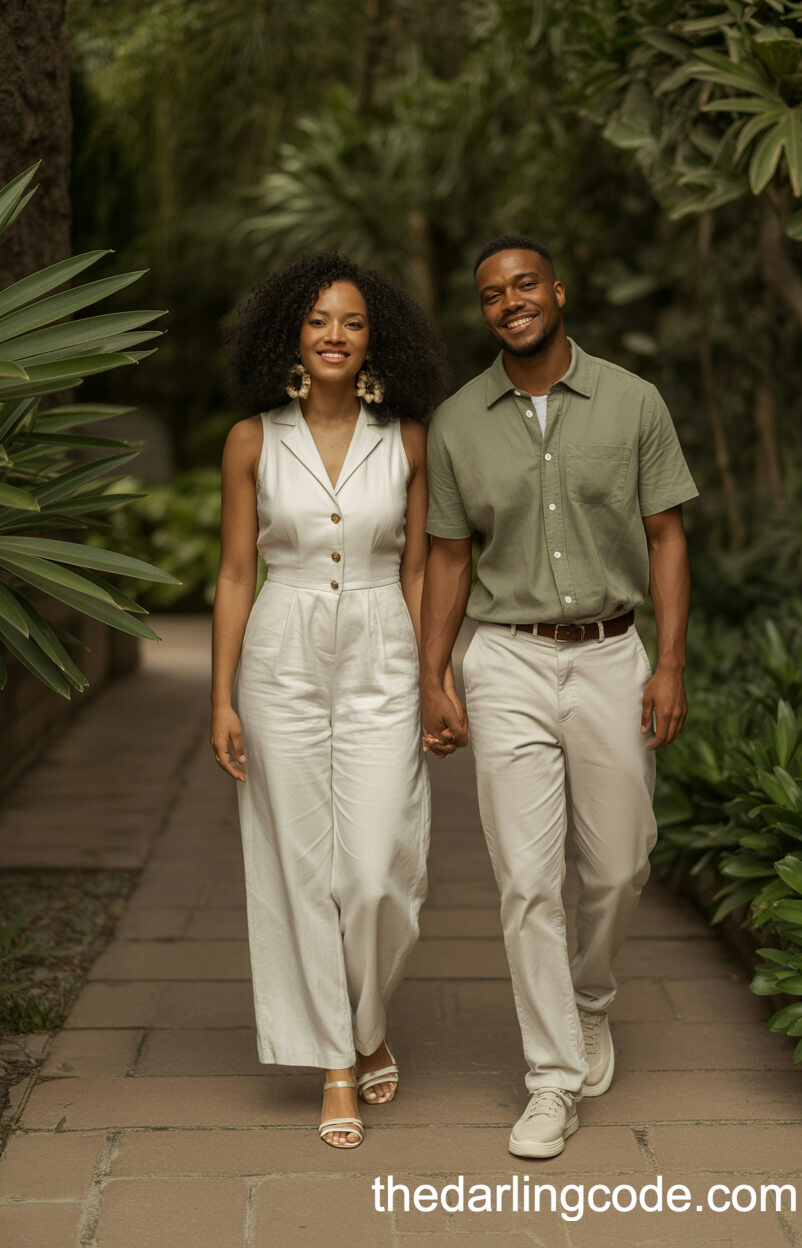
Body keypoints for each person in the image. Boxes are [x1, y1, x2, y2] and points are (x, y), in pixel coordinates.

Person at [420, 235, 698, 1159]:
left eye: (525, 284)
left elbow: (666, 535)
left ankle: (590, 997)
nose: (511, 302)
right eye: (492, 294)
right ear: (484, 311)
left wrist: (670, 663)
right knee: (527, 880)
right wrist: (434, 674)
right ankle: (550, 1078)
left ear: (558, 292)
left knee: (619, 867)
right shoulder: (458, 421)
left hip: (613, 655)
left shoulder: (633, 401)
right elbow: (449, 558)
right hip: (506, 660)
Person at [211, 252, 456, 1150]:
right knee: (299, 865)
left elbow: (422, 568)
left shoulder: (410, 440)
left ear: (373, 338)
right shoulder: (250, 441)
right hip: (281, 652)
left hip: (383, 649)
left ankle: (366, 1017)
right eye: (318, 320)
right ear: (292, 334)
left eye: (351, 321)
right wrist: (221, 697)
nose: (334, 335)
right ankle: (337, 1063)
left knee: (377, 869)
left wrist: (435, 677)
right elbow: (235, 574)